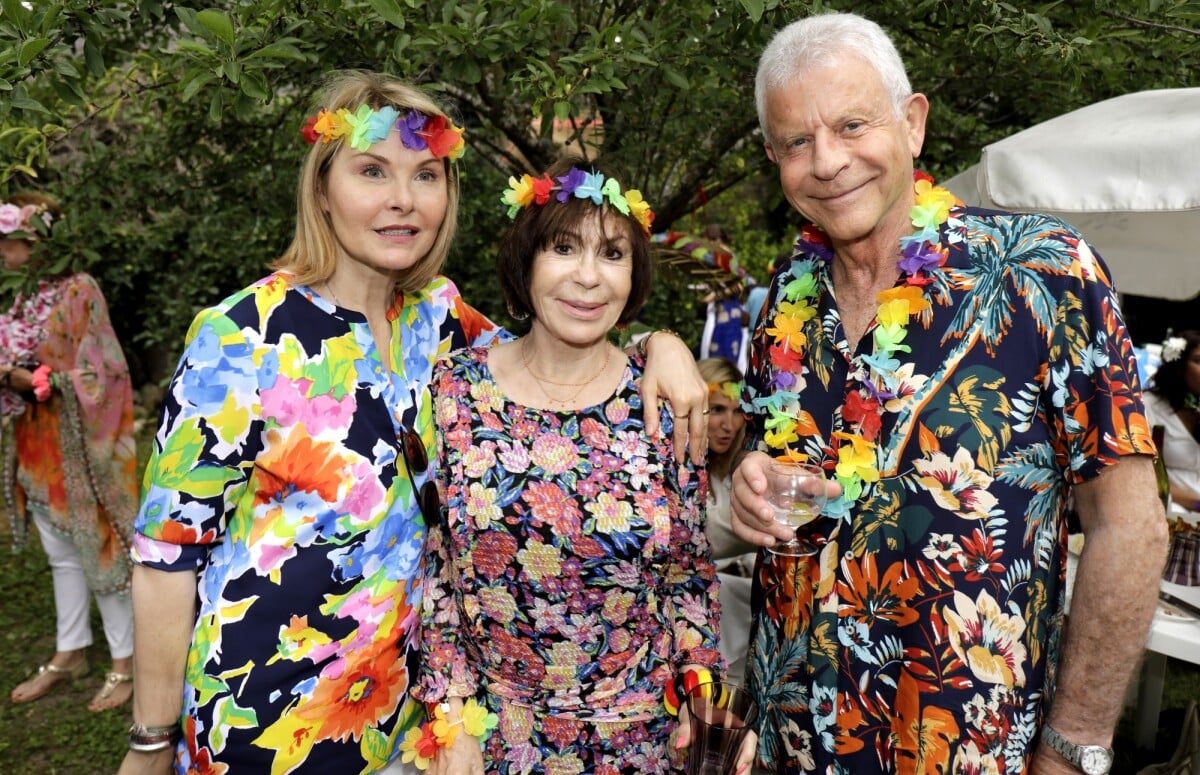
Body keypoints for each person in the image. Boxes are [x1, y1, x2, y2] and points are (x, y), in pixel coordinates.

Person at [117, 72, 707, 775]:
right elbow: (165, 557)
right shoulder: (241, 338)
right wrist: (151, 740)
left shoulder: (438, 318)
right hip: (265, 725)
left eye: (425, 174)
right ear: (323, 189)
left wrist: (659, 348)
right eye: (372, 171)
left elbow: (556, 358)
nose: (402, 199)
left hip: (411, 725)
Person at [729, 12, 1168, 775]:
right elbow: (782, 488)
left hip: (966, 752)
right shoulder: (783, 303)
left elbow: (1131, 529)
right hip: (790, 747)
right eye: (797, 141)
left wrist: (1072, 748)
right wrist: (747, 488)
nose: (827, 161)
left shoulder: (1042, 270)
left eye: (852, 124)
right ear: (774, 158)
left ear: (913, 122)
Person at [411, 156, 748, 774]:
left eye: (613, 254)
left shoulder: (665, 401)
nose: (589, 278)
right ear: (527, 262)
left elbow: (689, 583)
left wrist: (702, 698)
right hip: (491, 739)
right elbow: (438, 571)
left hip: (640, 741)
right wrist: (450, 716)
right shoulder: (455, 390)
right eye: (564, 248)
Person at [0, 192, 138, 713]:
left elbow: (104, 372)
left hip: (81, 448)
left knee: (95, 547)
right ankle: (71, 650)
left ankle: (125, 662)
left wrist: (36, 378)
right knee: (59, 552)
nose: (3, 254)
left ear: (41, 242)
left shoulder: (80, 291)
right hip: (37, 441)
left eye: (10, 244)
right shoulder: (20, 294)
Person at [698, 357, 756, 686]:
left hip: (738, 634)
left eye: (736, 412)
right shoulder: (675, 471)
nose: (728, 425)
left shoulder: (737, 468)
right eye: (717, 409)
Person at [1145, 331, 1200, 512]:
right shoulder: (1150, 406)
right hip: (1166, 507)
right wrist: (1197, 504)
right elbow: (1145, 477)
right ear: (1179, 366)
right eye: (1198, 361)